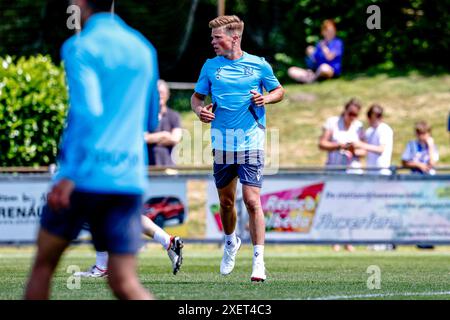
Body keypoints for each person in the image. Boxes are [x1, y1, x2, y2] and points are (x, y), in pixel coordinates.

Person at [24, 0, 158, 300]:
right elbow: (150, 119)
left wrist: (68, 175)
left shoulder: (79, 47)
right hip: (127, 178)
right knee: (124, 282)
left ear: (80, 3)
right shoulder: (144, 48)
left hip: (84, 177)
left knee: (43, 267)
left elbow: (86, 112)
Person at [191, 15, 284, 282]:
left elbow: (279, 90)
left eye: (217, 37)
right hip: (222, 143)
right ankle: (231, 242)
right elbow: (196, 98)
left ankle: (259, 262)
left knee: (253, 201)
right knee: (226, 202)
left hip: (251, 141)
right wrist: (199, 111)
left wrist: (265, 97)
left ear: (234, 38)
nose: (213, 42)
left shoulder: (258, 65)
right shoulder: (210, 67)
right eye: (212, 37)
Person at [319, 98, 366, 252]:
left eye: (355, 114)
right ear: (345, 111)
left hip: (352, 170)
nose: (352, 117)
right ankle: (335, 240)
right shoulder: (333, 123)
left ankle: (349, 239)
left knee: (351, 206)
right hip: (334, 169)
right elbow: (322, 144)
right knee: (335, 205)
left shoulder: (359, 127)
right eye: (350, 113)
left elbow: (364, 150)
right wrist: (338, 146)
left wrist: (353, 151)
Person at [74, 215, 184, 277]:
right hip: (128, 177)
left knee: (96, 213)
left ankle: (101, 267)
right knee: (131, 215)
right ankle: (168, 241)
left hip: (105, 177)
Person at [288, 19, 343, 83]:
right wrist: (310, 53)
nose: (330, 33)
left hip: (330, 71)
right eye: (328, 31)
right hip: (317, 71)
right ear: (323, 32)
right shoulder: (320, 44)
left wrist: (323, 47)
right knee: (291, 70)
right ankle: (312, 78)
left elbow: (329, 57)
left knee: (323, 68)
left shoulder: (337, 43)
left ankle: (311, 80)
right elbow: (314, 61)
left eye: (332, 31)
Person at [145, 80, 182, 166]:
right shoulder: (145, 116)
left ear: (168, 95)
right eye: (157, 93)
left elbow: (175, 138)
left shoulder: (174, 116)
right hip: (147, 167)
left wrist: (152, 139)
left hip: (168, 166)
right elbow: (142, 138)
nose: (159, 95)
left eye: (162, 92)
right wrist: (164, 135)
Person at [353, 104, 394, 175]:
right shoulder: (369, 131)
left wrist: (361, 144)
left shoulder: (384, 129)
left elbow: (381, 149)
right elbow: (365, 151)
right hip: (370, 172)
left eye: (379, 116)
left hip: (382, 172)